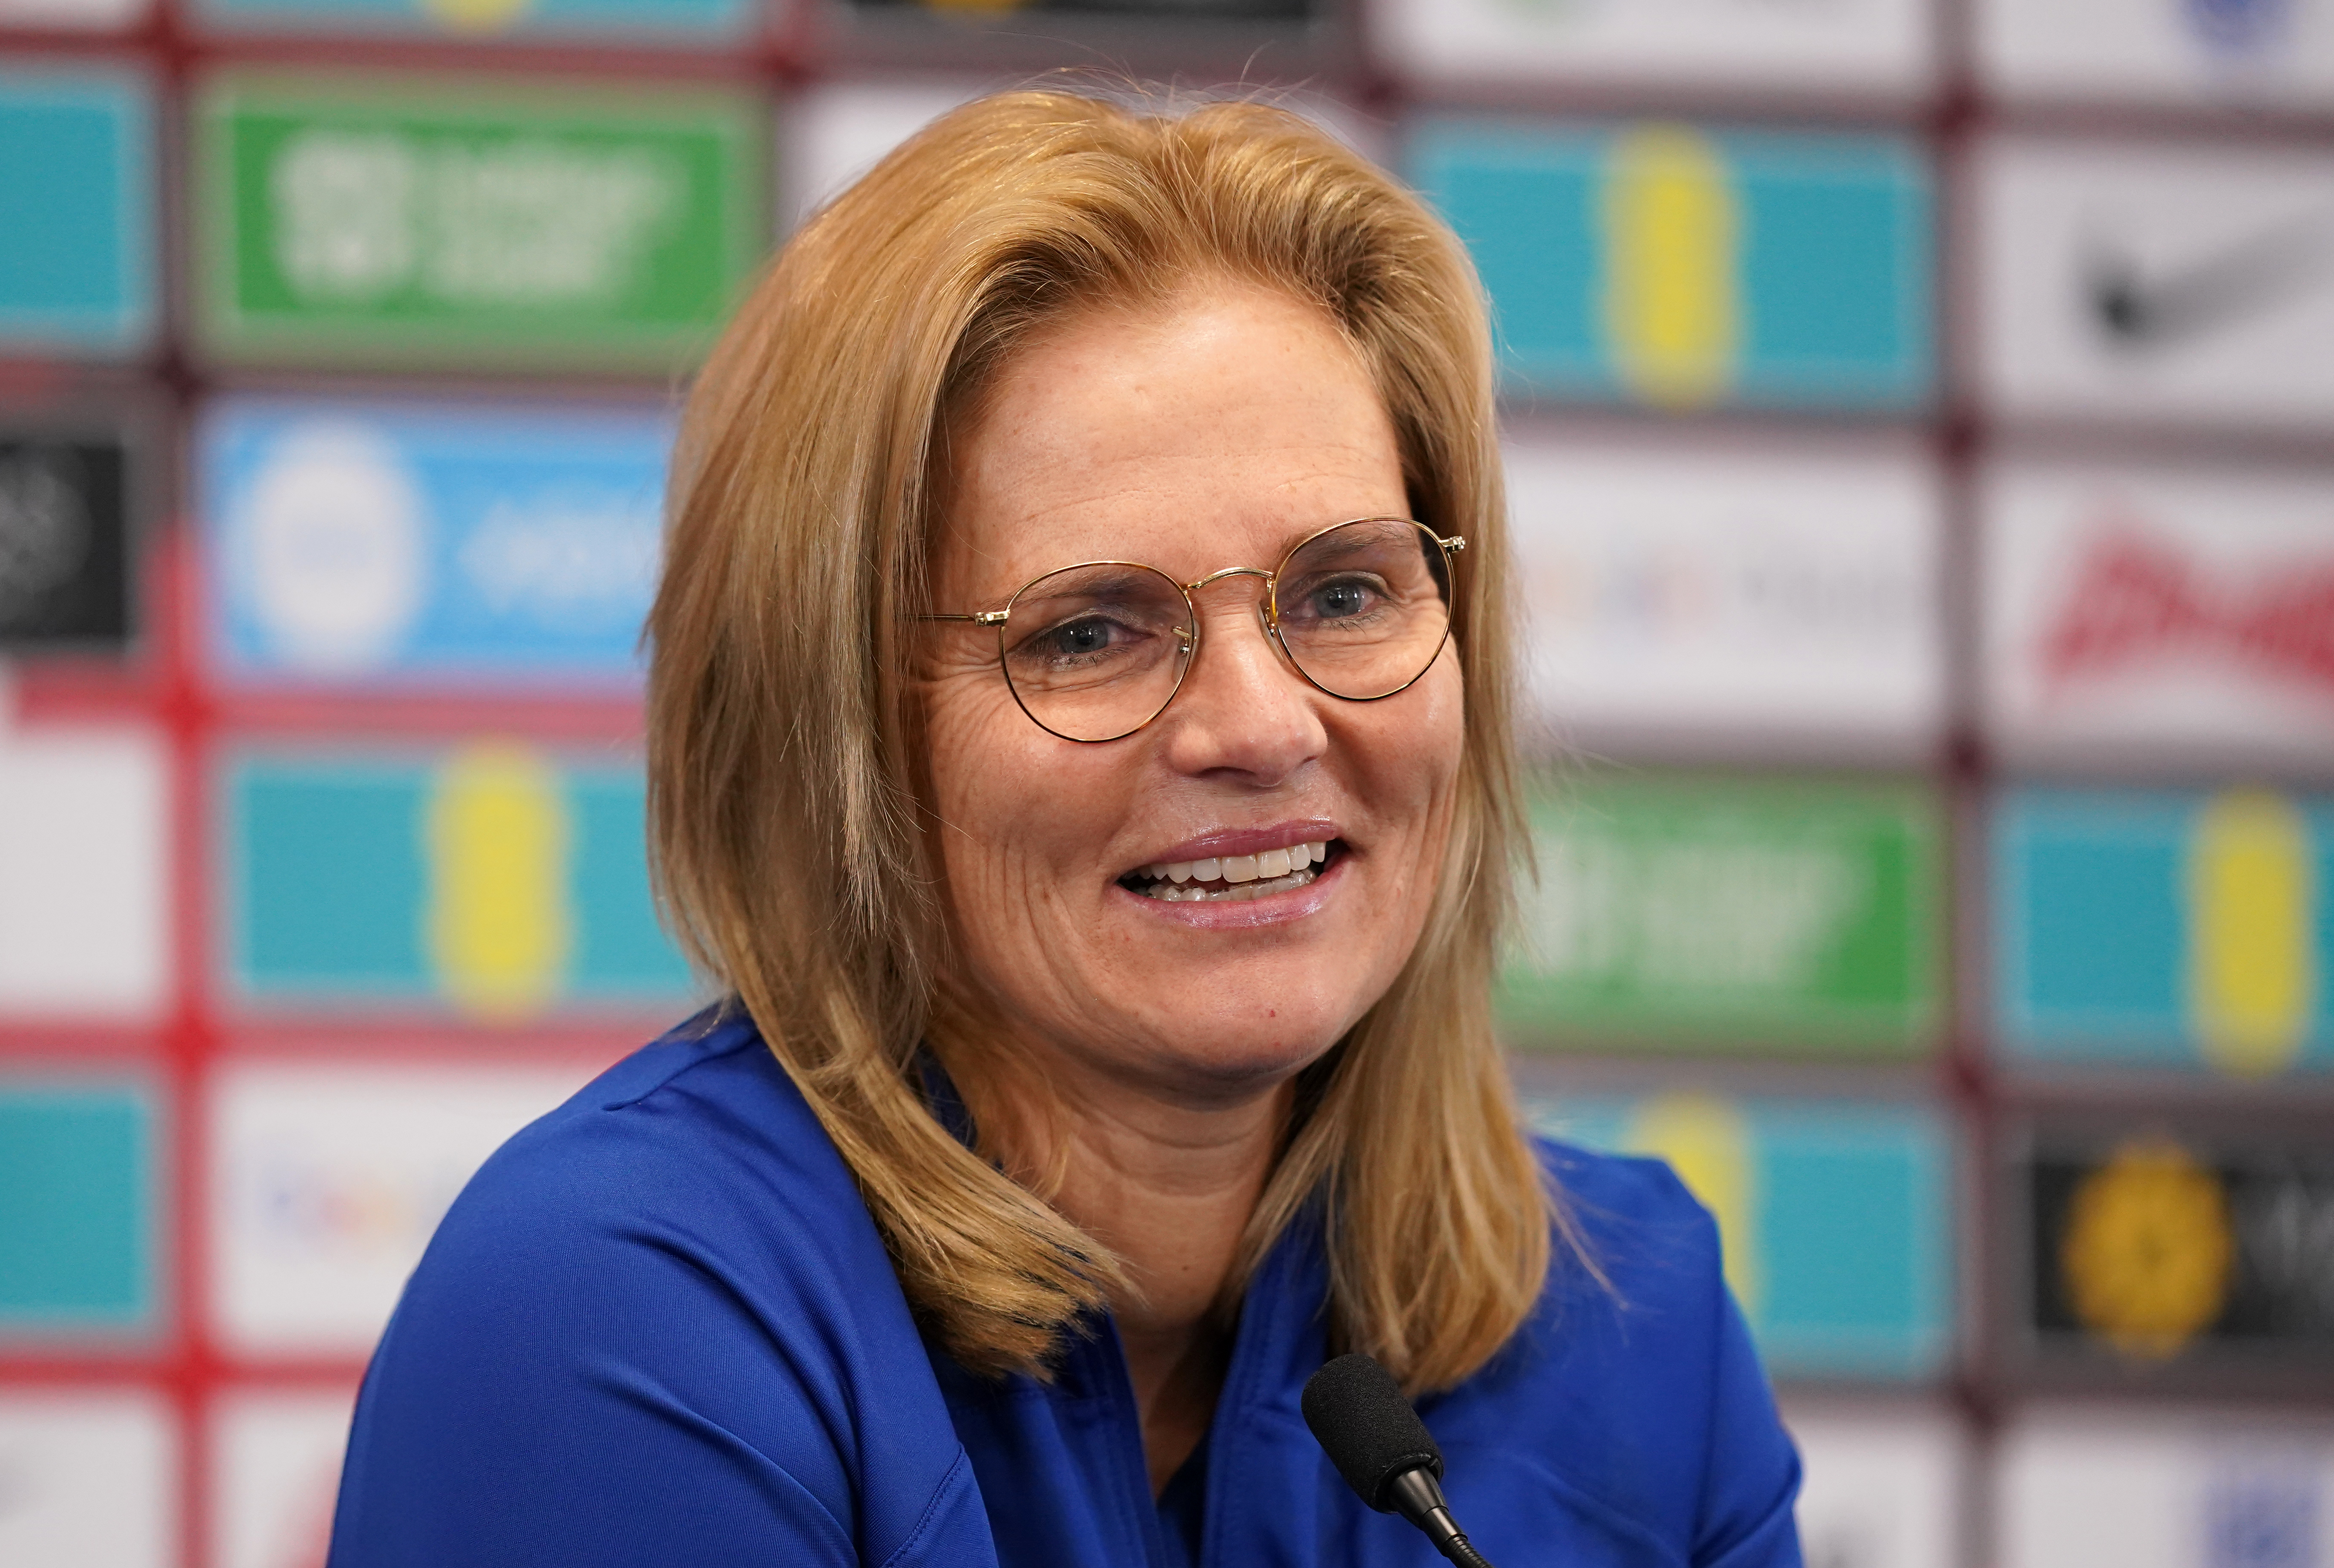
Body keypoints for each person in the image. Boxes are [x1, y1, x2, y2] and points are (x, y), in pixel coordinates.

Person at [326, 89, 1803, 1568]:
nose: (1262, 726)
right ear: (839, 735)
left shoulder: (1631, 1319)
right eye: (1089, 630)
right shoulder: (609, 1315)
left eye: (1344, 594)